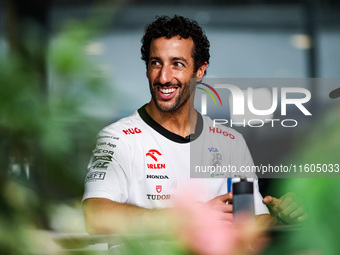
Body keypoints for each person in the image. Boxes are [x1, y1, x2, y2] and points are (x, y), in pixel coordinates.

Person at [82, 15, 272, 235]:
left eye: (177, 64)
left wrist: (282, 218)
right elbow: (95, 216)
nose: (164, 77)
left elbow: (251, 221)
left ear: (199, 71)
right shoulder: (117, 138)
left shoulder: (230, 142)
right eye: (156, 63)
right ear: (146, 69)